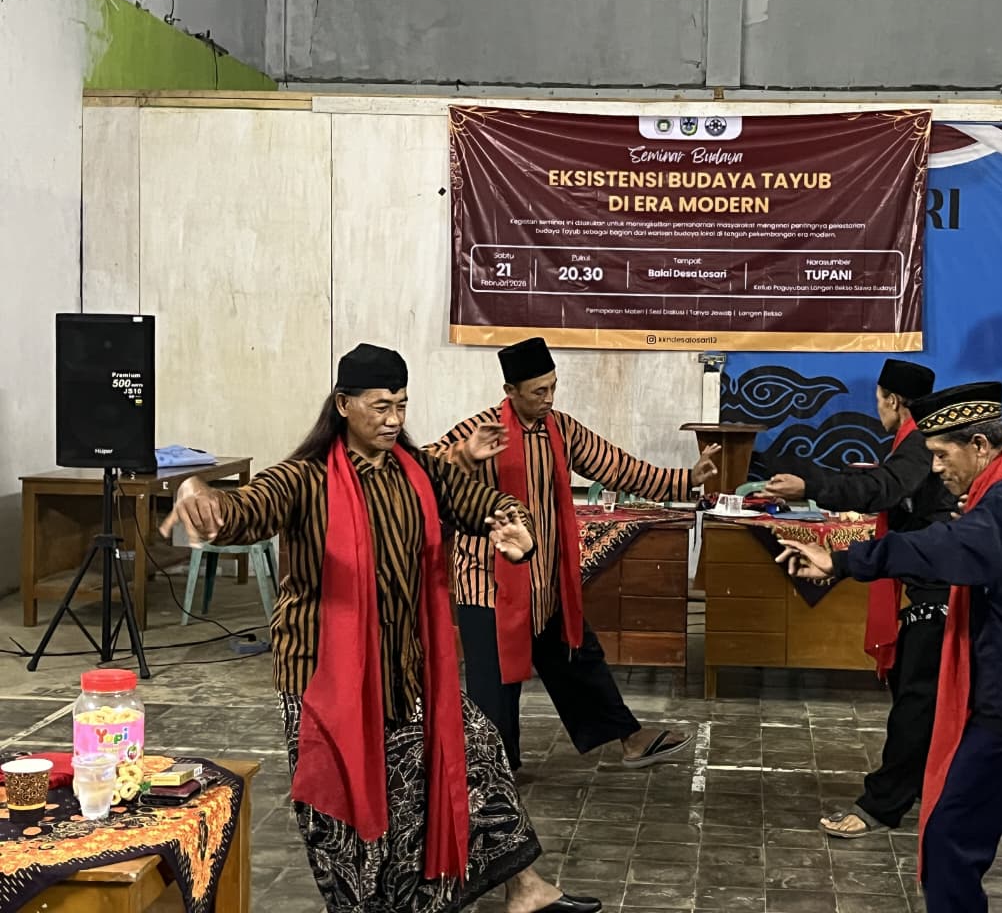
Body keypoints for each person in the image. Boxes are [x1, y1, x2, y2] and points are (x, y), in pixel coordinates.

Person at [160, 343, 600, 913]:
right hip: (325, 675)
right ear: (343, 404)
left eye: (402, 405)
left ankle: (526, 888)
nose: (394, 420)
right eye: (380, 406)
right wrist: (201, 495)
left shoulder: (417, 471)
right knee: (346, 814)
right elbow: (248, 509)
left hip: (407, 666)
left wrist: (511, 525)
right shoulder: (304, 478)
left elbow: (476, 498)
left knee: (474, 751)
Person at [775, 382, 1002, 913]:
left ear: (980, 446)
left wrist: (846, 561)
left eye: (942, 455)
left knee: (948, 840)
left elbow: (951, 547)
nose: (936, 468)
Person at [429, 336, 720, 773]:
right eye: (537, 392)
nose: (547, 399)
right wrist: (465, 455)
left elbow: (616, 467)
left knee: (577, 656)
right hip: (488, 585)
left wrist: (685, 479)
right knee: (495, 687)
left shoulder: (560, 429)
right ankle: (494, 776)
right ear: (510, 392)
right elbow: (424, 473)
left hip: (545, 581)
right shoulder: (482, 429)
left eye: (552, 388)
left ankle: (631, 738)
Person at [763, 359, 954, 840]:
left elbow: (882, 487)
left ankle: (883, 804)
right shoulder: (918, 442)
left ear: (891, 400)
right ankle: (934, 790)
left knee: (917, 703)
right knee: (923, 700)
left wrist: (812, 484)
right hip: (930, 581)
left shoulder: (918, 442)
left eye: (878, 400)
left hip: (943, 589)